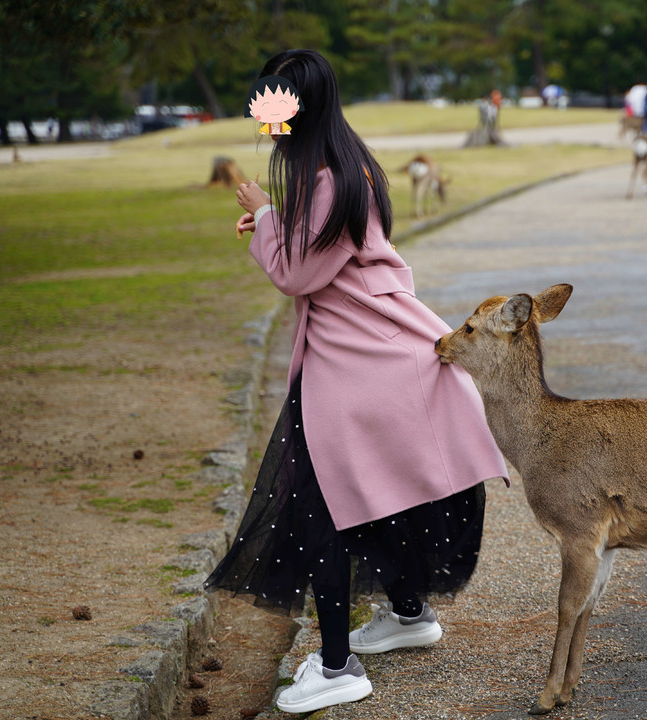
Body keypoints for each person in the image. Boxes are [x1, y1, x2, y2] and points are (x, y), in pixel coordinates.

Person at [208, 49, 509, 715]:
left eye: (274, 110)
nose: (267, 124)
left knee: (322, 510)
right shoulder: (346, 168)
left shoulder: (327, 182)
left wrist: (262, 215)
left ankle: (339, 665)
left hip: (359, 368)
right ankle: (407, 613)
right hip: (375, 357)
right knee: (380, 490)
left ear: (297, 110)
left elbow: (295, 275)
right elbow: (311, 259)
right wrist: (272, 225)